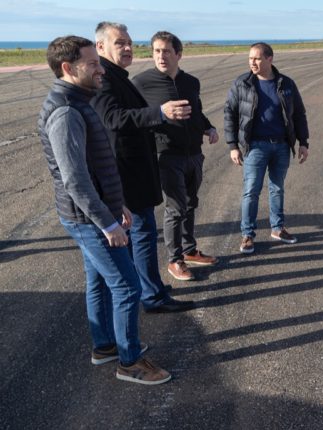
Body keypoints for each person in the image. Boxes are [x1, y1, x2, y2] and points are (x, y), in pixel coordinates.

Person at [39, 35, 170, 384]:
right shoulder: (66, 112)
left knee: (97, 279)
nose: (101, 69)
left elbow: (96, 167)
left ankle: (104, 347)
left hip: (93, 213)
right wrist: (107, 222)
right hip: (88, 219)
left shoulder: (79, 101)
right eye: (93, 63)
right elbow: (76, 180)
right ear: (68, 68)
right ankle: (130, 362)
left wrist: (118, 203)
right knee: (127, 287)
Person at [91, 21, 194, 312]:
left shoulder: (117, 76)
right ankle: (153, 297)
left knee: (143, 236)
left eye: (129, 43)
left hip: (135, 171)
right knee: (144, 235)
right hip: (128, 174)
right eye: (119, 43)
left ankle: (150, 287)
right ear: (101, 47)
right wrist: (159, 113)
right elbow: (113, 118)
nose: (127, 48)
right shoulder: (104, 78)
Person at [133, 31, 218, 281]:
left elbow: (197, 112)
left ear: (178, 54)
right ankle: (174, 259)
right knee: (176, 208)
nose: (161, 56)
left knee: (191, 203)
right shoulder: (141, 83)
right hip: (166, 155)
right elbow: (136, 117)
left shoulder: (191, 82)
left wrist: (208, 127)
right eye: (156, 51)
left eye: (166, 51)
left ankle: (190, 250)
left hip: (194, 154)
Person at [223, 42, 310, 254]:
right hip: (255, 147)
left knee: (277, 188)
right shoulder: (242, 83)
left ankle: (278, 228)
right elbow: (230, 114)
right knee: (251, 191)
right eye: (250, 58)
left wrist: (303, 142)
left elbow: (298, 114)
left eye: (257, 58)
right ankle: (247, 235)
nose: (252, 62)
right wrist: (233, 145)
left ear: (270, 59)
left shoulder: (286, 84)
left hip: (281, 145)